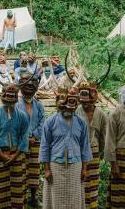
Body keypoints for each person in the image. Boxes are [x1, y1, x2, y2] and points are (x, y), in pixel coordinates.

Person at [39, 87, 92, 209]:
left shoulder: (81, 122)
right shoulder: (50, 122)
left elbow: (85, 147)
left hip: (75, 166)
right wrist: (47, 169)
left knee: (74, 196)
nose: (70, 105)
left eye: (73, 102)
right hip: (56, 166)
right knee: (55, 196)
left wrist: (84, 168)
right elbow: (45, 146)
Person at [0, 83, 29, 208]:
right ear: (3, 95)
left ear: (16, 97)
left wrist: (16, 155)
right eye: (7, 94)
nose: (10, 97)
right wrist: (1, 154)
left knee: (17, 186)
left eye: (12, 95)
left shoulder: (22, 116)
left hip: (17, 155)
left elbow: (24, 136)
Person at [75, 81, 108, 209]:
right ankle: (81, 204)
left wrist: (101, 152)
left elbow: (104, 135)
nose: (85, 103)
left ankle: (93, 204)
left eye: (88, 100)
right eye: (83, 101)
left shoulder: (101, 114)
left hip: (94, 152)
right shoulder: (76, 111)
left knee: (93, 180)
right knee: (81, 178)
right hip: (78, 152)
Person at [15, 71, 45, 207]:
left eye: (34, 82)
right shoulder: (14, 103)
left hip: (35, 143)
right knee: (19, 170)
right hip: (19, 143)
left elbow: (42, 122)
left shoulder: (39, 105)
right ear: (20, 84)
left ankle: (33, 197)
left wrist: (34, 136)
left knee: (34, 170)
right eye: (26, 82)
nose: (30, 85)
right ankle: (19, 197)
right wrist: (25, 137)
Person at [104, 86, 125, 208]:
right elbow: (109, 140)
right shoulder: (115, 113)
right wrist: (114, 164)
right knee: (118, 191)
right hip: (120, 159)